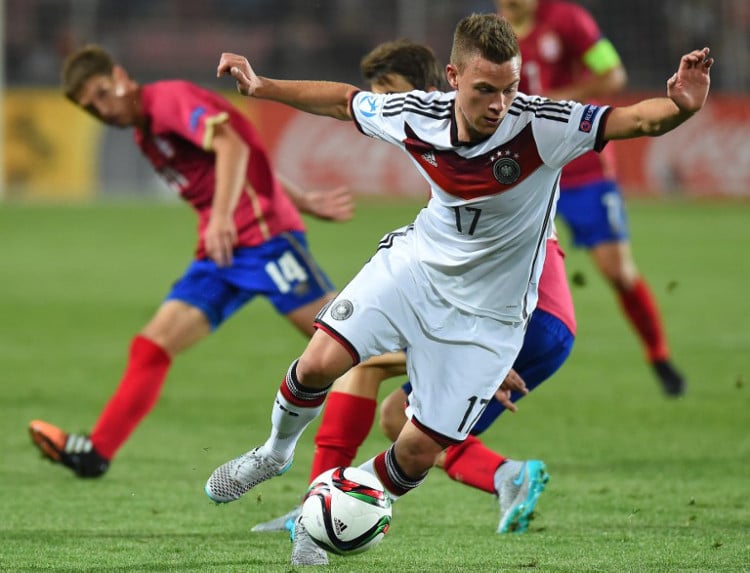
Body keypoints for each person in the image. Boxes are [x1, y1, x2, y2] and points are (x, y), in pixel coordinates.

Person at [205, 13, 712, 565]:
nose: (500, 104)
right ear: (452, 77)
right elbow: (342, 101)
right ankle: (275, 452)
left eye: (511, 88)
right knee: (322, 360)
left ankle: (324, 512)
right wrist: (262, 86)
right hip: (415, 272)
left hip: (491, 318)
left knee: (418, 449)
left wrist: (681, 107)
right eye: (486, 90)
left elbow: (635, 119)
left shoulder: (544, 126)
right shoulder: (414, 114)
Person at [250, 38, 576, 544]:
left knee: (362, 370)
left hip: (527, 320)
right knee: (398, 415)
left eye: (388, 91)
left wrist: (490, 346)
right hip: (523, 319)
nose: (382, 103)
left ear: (430, 90)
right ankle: (503, 476)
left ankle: (312, 506)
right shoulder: (448, 148)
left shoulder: (474, 138)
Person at [27, 44, 354, 478]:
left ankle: (427, 398)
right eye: (91, 107)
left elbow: (233, 147)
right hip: (222, 253)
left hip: (265, 242)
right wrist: (304, 200)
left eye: (103, 94)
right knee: (152, 345)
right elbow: (245, 162)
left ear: (121, 76)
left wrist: (222, 216)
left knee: (345, 347)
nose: (103, 110)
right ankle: (96, 452)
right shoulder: (146, 133)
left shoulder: (168, 101)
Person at [496, 0, 686, 396]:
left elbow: (614, 73)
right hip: (526, 167)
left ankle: (658, 354)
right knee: (500, 270)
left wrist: (561, 97)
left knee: (617, 271)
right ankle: (488, 364)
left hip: (582, 164)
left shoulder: (569, 19)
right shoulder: (495, 30)